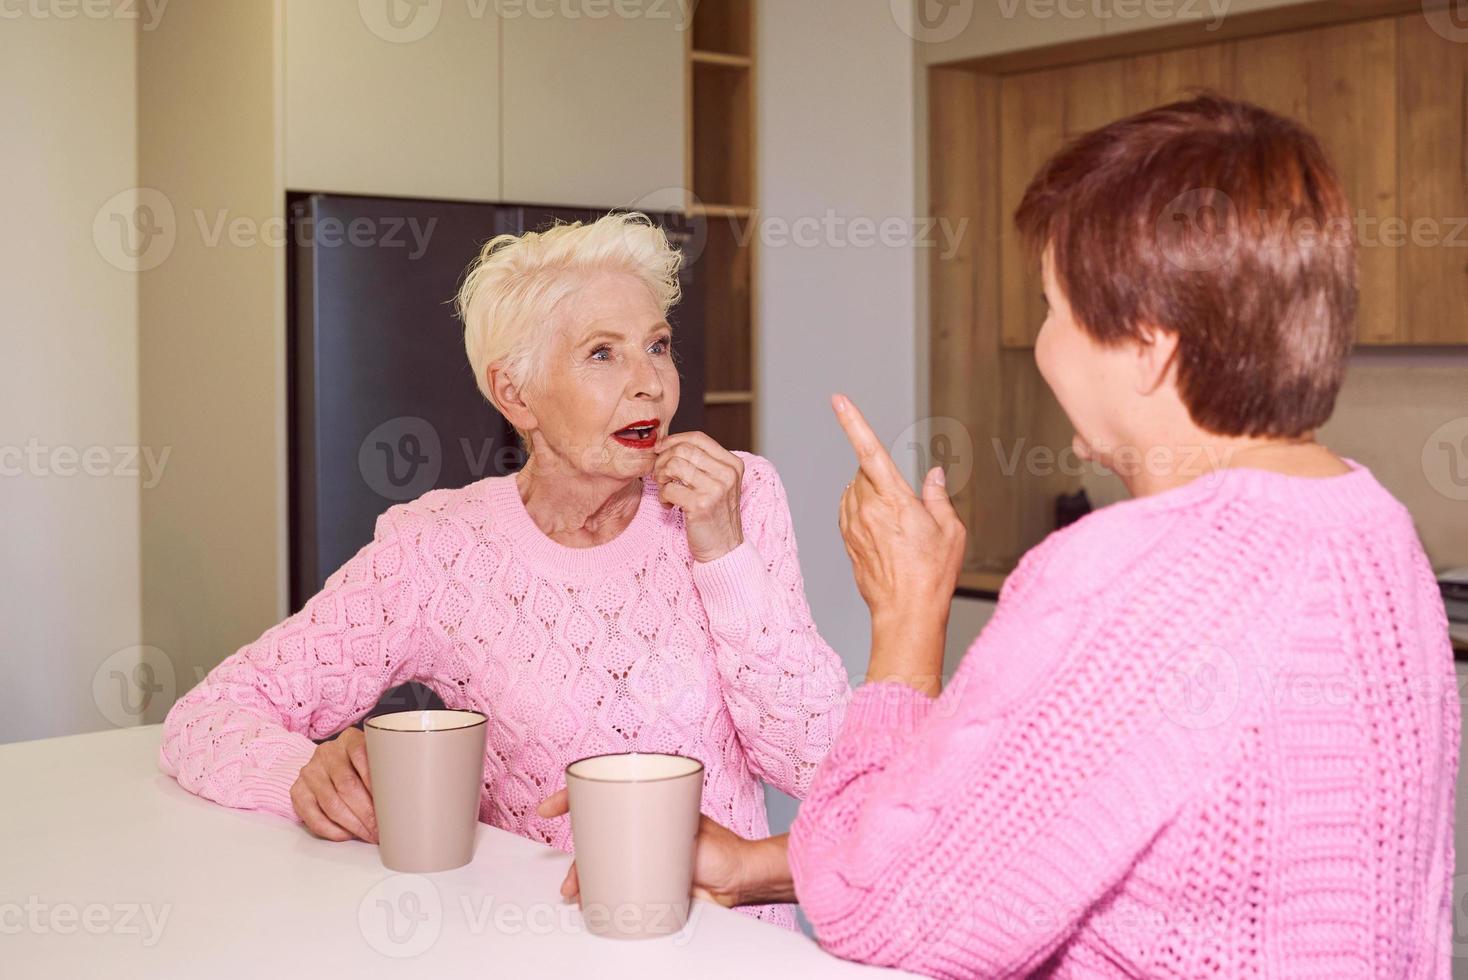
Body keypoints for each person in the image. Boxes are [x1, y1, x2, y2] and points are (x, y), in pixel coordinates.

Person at [558, 95, 1458, 974]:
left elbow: (881, 911)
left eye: (1054, 308)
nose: (1043, 345)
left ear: (1148, 346)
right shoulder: (1374, 533)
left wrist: (907, 625)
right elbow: (1022, 837)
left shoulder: (1127, 578)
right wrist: (755, 864)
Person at [157, 212, 850, 929]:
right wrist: (304, 777)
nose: (650, 383)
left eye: (658, 345)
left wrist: (722, 551)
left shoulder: (740, 497)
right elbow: (207, 718)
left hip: (734, 957)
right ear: (515, 395)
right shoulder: (440, 550)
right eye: (603, 354)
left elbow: (818, 763)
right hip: (531, 947)